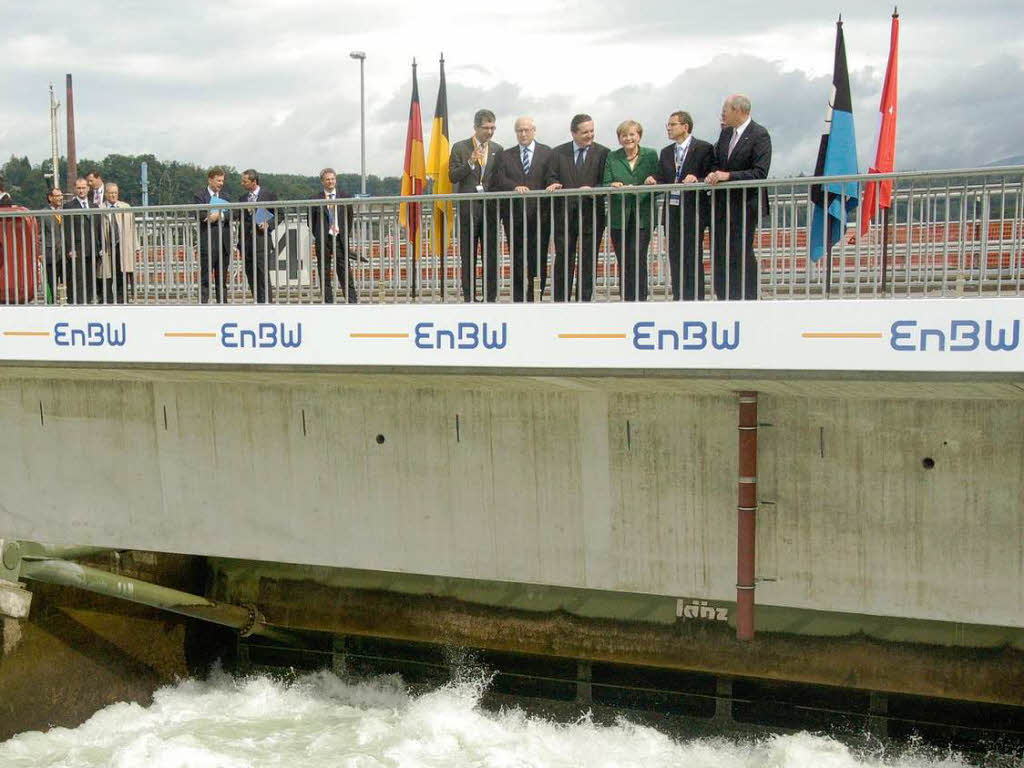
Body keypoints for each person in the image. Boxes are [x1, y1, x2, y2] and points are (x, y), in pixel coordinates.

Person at [705, 94, 772, 300]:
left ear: (739, 110)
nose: (722, 113)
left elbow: (760, 172)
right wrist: (713, 173)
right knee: (720, 251)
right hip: (722, 205)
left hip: (745, 204)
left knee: (741, 251)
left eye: (725, 109)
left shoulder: (759, 134)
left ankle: (747, 297)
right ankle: (724, 295)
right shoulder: (725, 134)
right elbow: (717, 161)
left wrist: (729, 176)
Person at [545, 113, 609, 302]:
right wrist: (553, 183)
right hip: (564, 215)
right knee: (564, 257)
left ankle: (584, 300)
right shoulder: (557, 153)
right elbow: (550, 176)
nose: (590, 135)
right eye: (585, 132)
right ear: (573, 133)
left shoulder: (604, 153)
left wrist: (593, 190)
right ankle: (560, 301)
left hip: (592, 214)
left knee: (588, 258)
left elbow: (607, 181)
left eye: (592, 131)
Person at [657, 110, 715, 301]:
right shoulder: (666, 153)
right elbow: (662, 178)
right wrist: (653, 180)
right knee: (674, 255)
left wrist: (697, 179)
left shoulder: (704, 148)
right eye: (668, 124)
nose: (669, 128)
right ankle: (679, 296)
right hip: (672, 211)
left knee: (692, 255)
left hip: (693, 211)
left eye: (672, 124)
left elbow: (711, 175)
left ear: (685, 127)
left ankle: (696, 297)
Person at [495, 116, 552, 302]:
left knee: (539, 259)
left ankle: (536, 296)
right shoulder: (505, 155)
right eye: (520, 130)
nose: (523, 133)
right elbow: (499, 180)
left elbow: (552, 177)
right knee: (518, 259)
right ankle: (519, 299)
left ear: (534, 131)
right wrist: (514, 186)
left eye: (527, 130)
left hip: (540, 215)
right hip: (515, 216)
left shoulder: (547, 153)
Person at [449, 109, 503, 302]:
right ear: (475, 127)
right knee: (468, 255)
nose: (490, 132)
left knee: (490, 255)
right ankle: (470, 297)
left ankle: (490, 298)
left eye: (492, 127)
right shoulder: (460, 148)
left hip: (490, 210)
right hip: (468, 210)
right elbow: (453, 176)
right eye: (486, 128)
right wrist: (470, 163)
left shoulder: (498, 149)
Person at [603, 120, 659, 302]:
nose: (628, 138)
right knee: (624, 259)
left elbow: (659, 180)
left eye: (632, 134)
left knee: (638, 256)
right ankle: (626, 300)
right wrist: (612, 185)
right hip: (619, 217)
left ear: (639, 136)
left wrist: (653, 181)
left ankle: (640, 299)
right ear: (619, 139)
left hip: (643, 216)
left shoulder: (651, 155)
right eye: (624, 135)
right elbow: (605, 183)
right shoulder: (613, 157)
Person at [309, 167, 357, 304]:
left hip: (339, 239)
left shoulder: (345, 196)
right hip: (323, 240)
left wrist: (342, 234)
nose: (330, 182)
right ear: (322, 182)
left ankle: (352, 302)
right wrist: (320, 235)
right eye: (327, 179)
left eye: (332, 179)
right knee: (324, 273)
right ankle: (328, 302)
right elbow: (311, 221)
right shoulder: (314, 198)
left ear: (335, 180)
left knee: (344, 272)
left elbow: (349, 218)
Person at [194, 167, 231, 304]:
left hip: (224, 244)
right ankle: (203, 305)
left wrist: (219, 215)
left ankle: (223, 306)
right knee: (205, 279)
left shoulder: (226, 196)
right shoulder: (200, 196)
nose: (221, 183)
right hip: (207, 243)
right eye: (218, 180)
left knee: (221, 280)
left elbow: (234, 214)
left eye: (222, 180)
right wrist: (212, 216)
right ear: (210, 180)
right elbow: (201, 215)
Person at [237, 169, 275, 304]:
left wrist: (268, 224)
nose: (242, 183)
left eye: (245, 181)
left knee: (263, 275)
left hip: (261, 241)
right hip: (246, 243)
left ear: (254, 182)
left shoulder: (269, 195)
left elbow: (279, 215)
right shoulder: (242, 198)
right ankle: (257, 302)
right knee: (250, 274)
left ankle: (267, 304)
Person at [63, 177, 100, 304]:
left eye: (83, 188)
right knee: (79, 279)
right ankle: (79, 304)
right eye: (78, 188)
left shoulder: (94, 207)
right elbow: (67, 230)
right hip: (77, 249)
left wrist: (100, 247)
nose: (81, 191)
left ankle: (88, 302)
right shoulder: (68, 207)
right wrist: (70, 249)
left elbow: (98, 227)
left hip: (92, 249)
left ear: (88, 189)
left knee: (90, 278)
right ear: (75, 189)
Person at [100, 183, 137, 303]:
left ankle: (123, 300)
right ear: (106, 194)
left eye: (115, 193)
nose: (113, 195)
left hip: (123, 246)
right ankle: (108, 300)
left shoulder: (126, 207)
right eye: (110, 193)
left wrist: (135, 246)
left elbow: (132, 227)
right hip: (107, 247)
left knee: (123, 273)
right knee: (107, 275)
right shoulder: (100, 208)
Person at [38, 187, 65, 303]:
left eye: (61, 195)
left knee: (65, 282)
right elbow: (39, 235)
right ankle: (51, 304)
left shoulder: (64, 211)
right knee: (51, 282)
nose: (60, 198)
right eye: (57, 196)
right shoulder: (44, 214)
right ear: (50, 197)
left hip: (64, 255)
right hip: (49, 255)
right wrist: (40, 253)